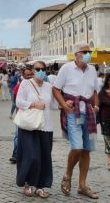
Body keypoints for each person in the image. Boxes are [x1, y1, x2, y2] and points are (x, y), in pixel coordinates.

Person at [53, 44, 99, 199]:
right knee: (77, 147)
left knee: (86, 150)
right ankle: (68, 174)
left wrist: (96, 105)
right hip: (73, 113)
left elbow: (95, 91)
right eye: (85, 52)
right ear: (76, 54)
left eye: (89, 52)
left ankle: (82, 185)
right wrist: (64, 105)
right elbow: (56, 89)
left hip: (89, 113)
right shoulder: (66, 68)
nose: (88, 54)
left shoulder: (92, 70)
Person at [16, 61, 57, 199]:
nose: (40, 71)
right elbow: (18, 101)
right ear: (33, 70)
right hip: (29, 126)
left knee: (45, 157)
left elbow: (53, 105)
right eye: (37, 69)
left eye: (43, 69)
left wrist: (65, 103)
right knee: (31, 156)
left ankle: (40, 186)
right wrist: (33, 104)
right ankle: (28, 182)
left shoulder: (48, 86)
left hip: (46, 126)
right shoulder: (25, 84)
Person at [9, 67, 33, 164]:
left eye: (30, 74)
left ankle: (29, 155)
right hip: (21, 113)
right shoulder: (19, 86)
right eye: (27, 75)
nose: (29, 77)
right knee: (18, 135)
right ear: (23, 75)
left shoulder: (36, 85)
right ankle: (15, 155)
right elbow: (15, 100)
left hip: (33, 114)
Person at [98, 73, 110, 170]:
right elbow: (98, 107)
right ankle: (109, 161)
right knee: (108, 141)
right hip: (105, 120)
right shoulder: (102, 93)